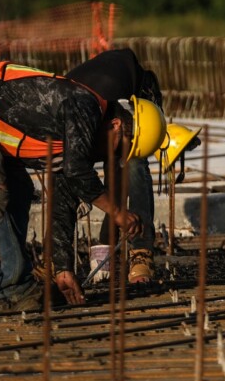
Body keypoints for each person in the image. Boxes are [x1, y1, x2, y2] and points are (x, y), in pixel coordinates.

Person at [0, 59, 166, 309]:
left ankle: (16, 286)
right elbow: (77, 172)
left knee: (20, 191)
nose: (111, 157)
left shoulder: (72, 138)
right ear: (116, 125)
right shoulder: (84, 104)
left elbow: (63, 199)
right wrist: (117, 212)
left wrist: (63, 269)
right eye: (120, 148)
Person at [65, 47, 166, 284]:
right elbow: (73, 170)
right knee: (78, 173)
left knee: (133, 163)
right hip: (94, 105)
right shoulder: (72, 110)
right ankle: (64, 260)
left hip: (122, 101)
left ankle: (141, 252)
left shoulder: (117, 105)